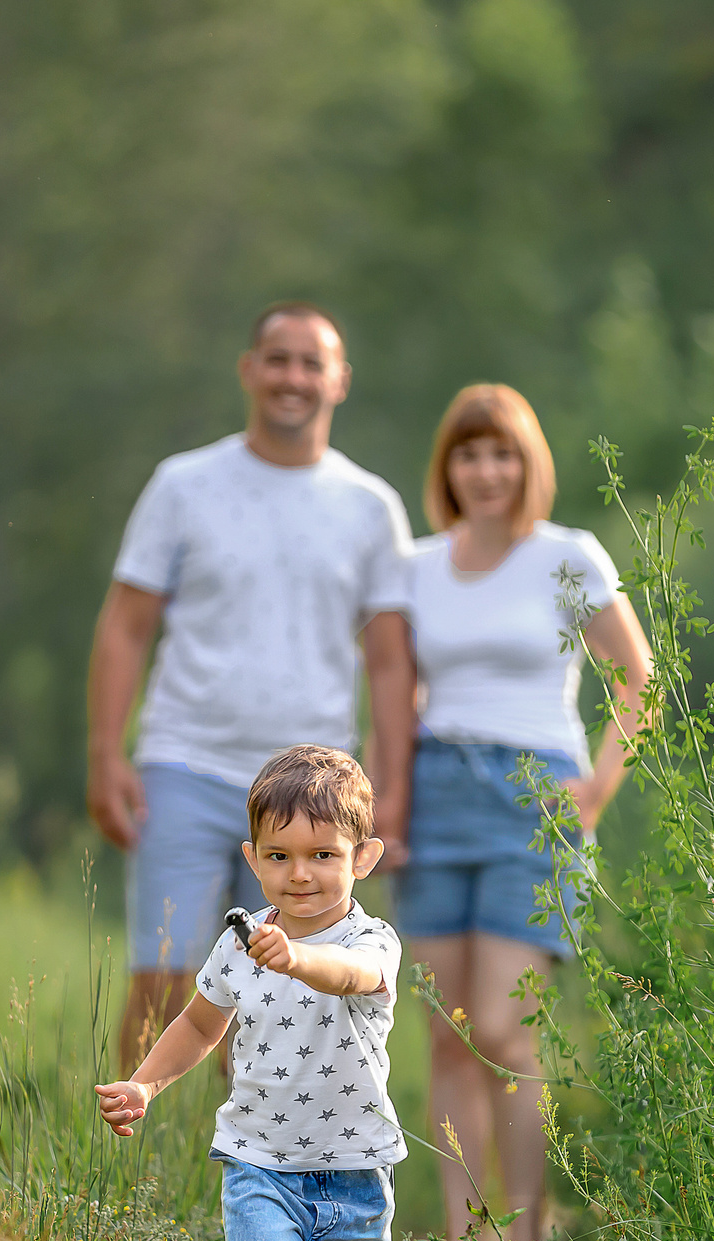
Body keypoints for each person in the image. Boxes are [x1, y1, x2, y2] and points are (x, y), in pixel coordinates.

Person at [86, 304, 417, 1071]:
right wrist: (105, 753)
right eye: (278, 359)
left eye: (311, 363)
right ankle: (136, 1139)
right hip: (185, 763)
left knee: (282, 995)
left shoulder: (370, 507)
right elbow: (125, 626)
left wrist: (392, 787)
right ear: (249, 370)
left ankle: (241, 1148)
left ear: (339, 380)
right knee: (164, 978)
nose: (293, 377)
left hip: (311, 791)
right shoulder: (183, 485)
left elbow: (390, 661)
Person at [388, 384, 654, 1241]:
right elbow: (396, 692)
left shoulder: (567, 556)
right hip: (435, 795)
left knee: (505, 1029)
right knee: (448, 1034)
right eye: (469, 454)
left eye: (502, 452)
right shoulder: (417, 566)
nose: (486, 471)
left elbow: (638, 677)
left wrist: (598, 788)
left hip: (532, 801)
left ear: (528, 461)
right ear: (447, 468)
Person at [94, 746, 405, 1241]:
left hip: (354, 1167)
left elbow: (351, 978)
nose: (301, 873)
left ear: (362, 858)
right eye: (280, 855)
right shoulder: (239, 944)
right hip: (259, 1158)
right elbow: (200, 1025)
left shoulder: (371, 942)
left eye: (323, 855)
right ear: (253, 859)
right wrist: (145, 1083)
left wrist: (296, 959)